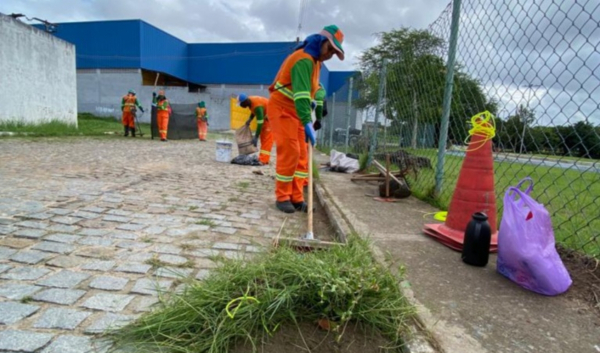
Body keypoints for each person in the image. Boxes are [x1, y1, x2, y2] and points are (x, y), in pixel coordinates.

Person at [268, 25, 344, 213]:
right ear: (321, 42)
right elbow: (301, 96)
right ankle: (282, 196)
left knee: (303, 154)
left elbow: (313, 89)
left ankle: (296, 197)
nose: (330, 55)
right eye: (330, 50)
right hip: (282, 110)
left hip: (297, 112)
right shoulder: (303, 59)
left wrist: (316, 103)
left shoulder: (316, 61)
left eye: (335, 53)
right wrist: (307, 121)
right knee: (291, 151)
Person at [238, 94, 273, 165]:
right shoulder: (250, 102)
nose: (241, 106)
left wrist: (256, 136)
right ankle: (263, 158)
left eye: (240, 104)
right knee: (264, 139)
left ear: (244, 102)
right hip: (266, 118)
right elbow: (254, 111)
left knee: (267, 140)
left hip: (270, 119)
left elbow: (260, 122)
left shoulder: (257, 106)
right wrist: (250, 119)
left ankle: (264, 160)